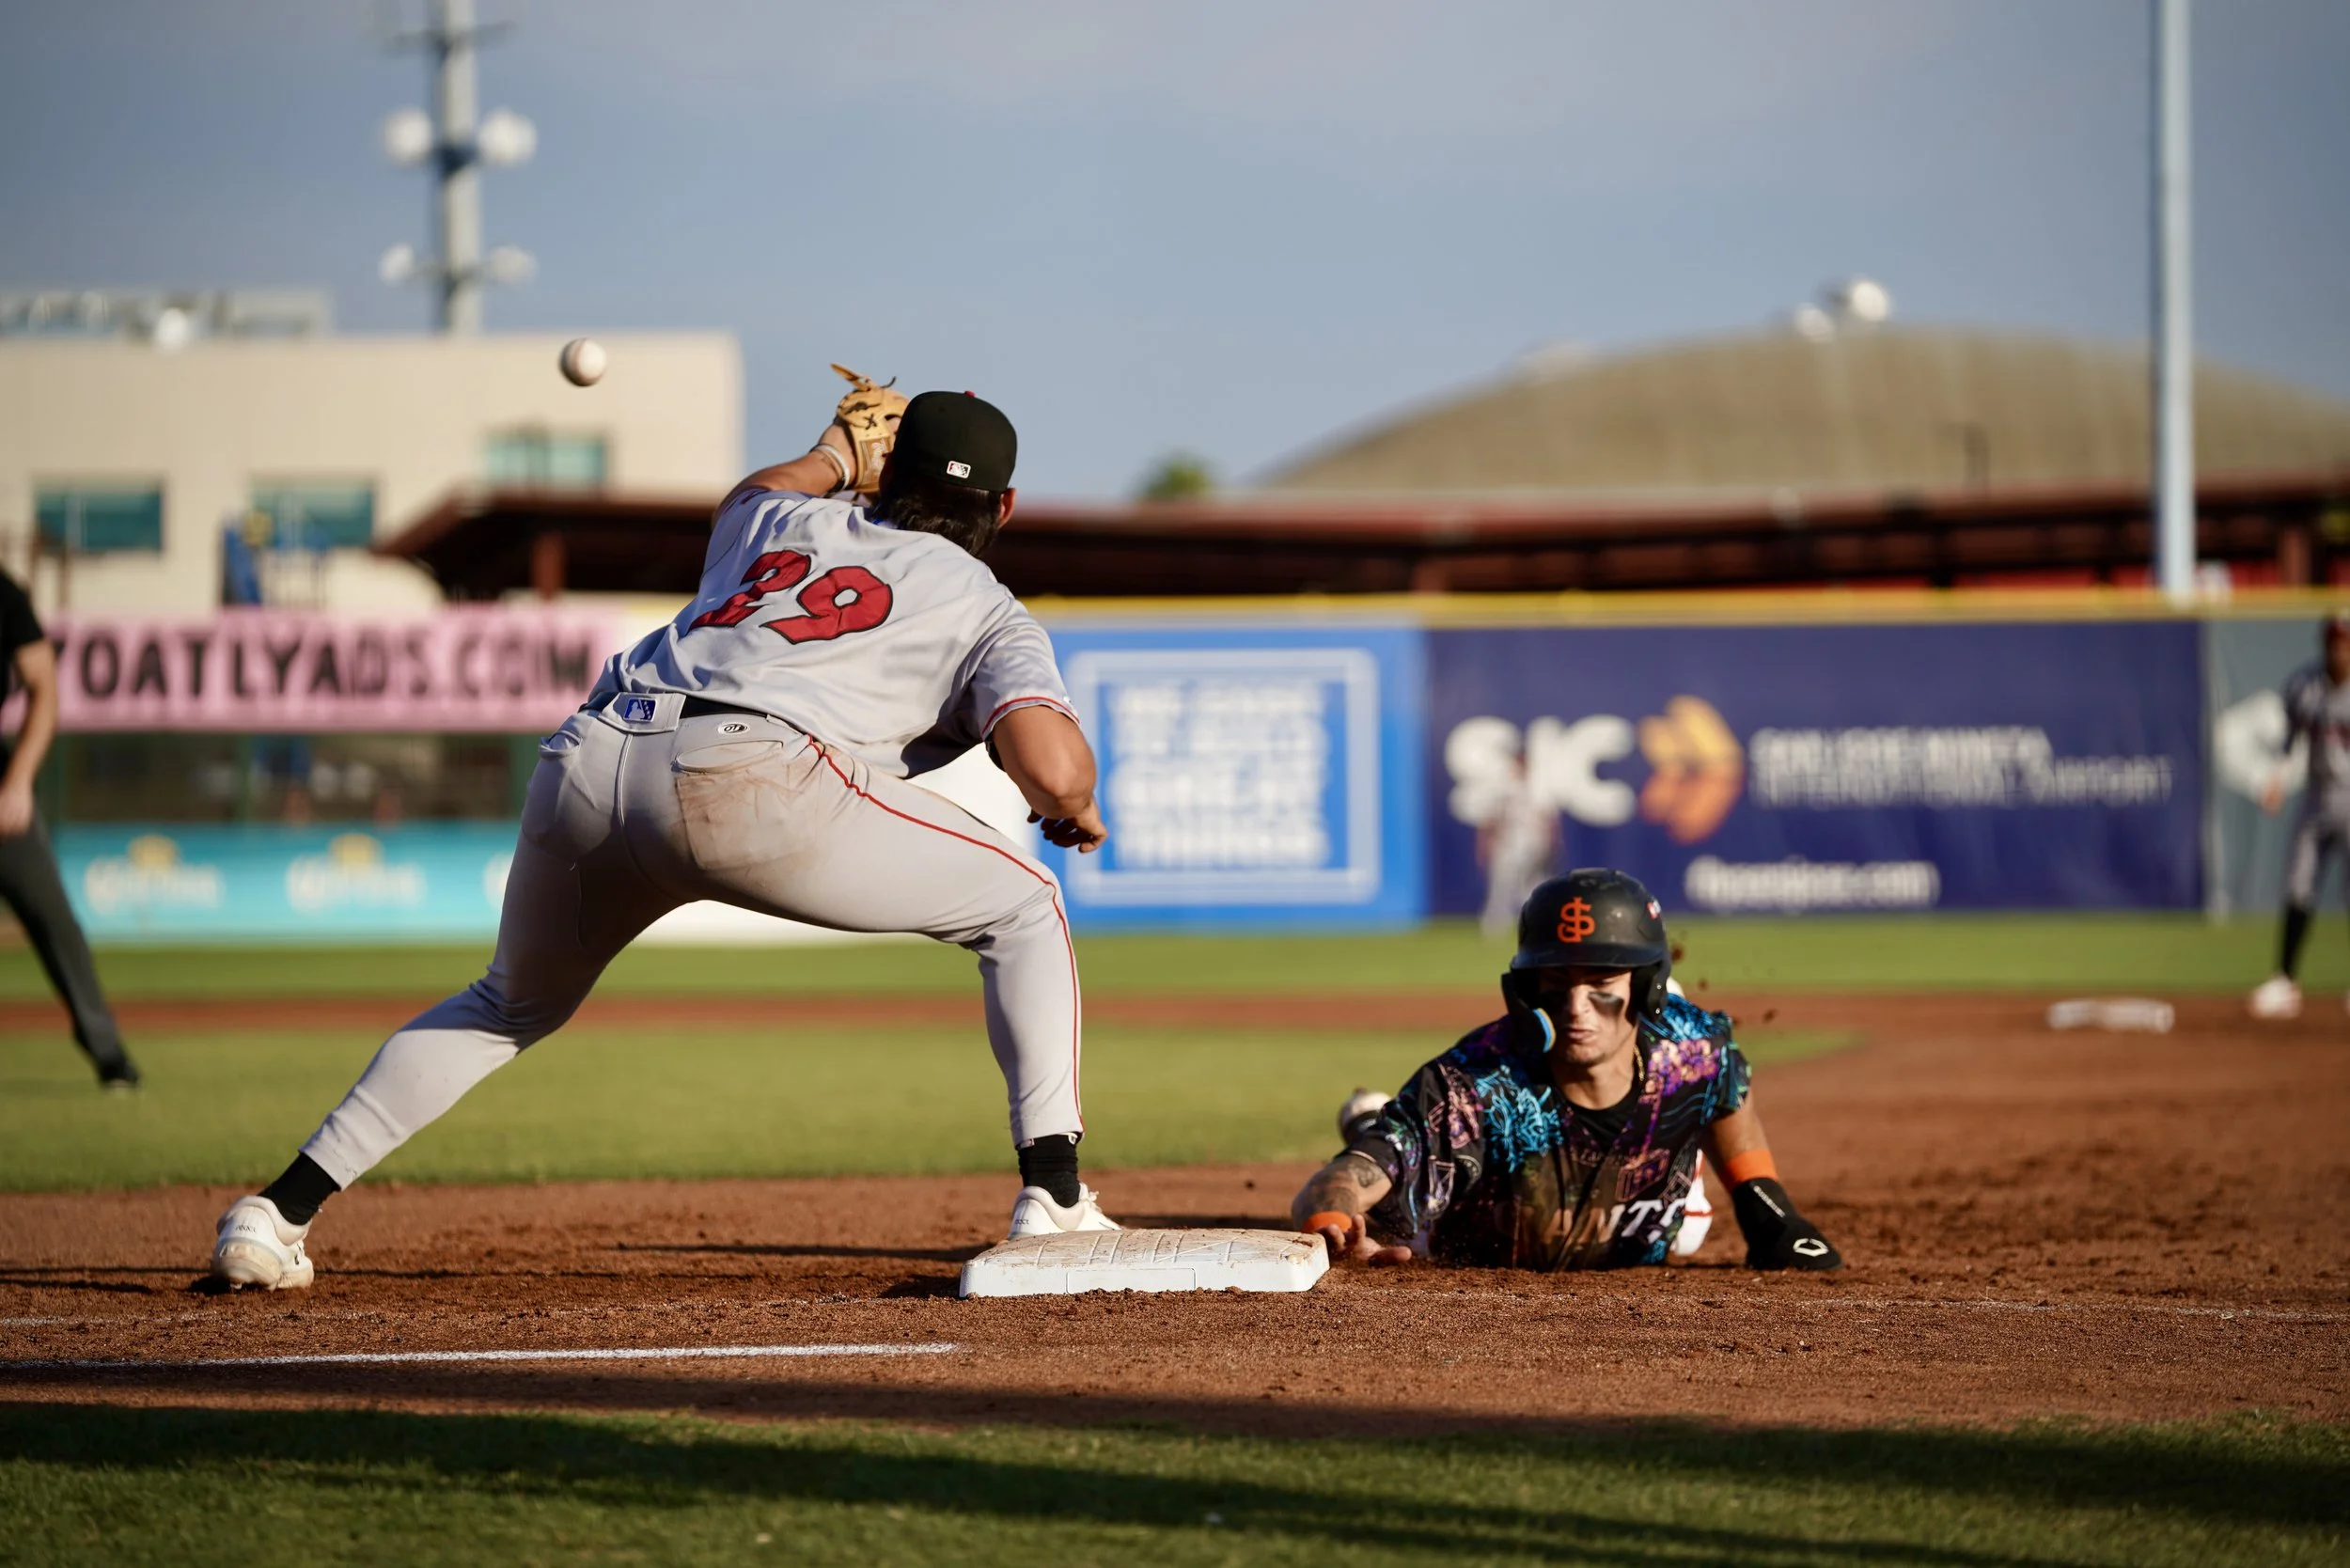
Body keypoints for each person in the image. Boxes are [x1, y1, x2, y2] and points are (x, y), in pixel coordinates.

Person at [211, 386, 1117, 1291]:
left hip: (594, 754)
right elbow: (1053, 769)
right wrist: (1071, 802)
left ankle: (275, 1214)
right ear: (1004, 506)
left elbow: (753, 492)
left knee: (506, 1005)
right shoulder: (987, 605)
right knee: (1025, 904)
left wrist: (836, 454)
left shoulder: (782, 522)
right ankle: (1055, 1193)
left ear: (888, 476)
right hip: (759, 780)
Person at [1292, 868, 1840, 1272]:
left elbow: (1724, 1084)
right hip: (1466, 1239)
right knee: (1398, 1200)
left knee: (1685, 1232)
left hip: (1630, 1228)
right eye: (1557, 984)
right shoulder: (1470, 1089)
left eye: (1601, 984)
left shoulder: (1693, 1048)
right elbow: (1338, 1182)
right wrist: (1333, 1230)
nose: (1577, 1008)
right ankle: (1377, 1124)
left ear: (1648, 988)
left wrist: (1767, 1209)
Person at [0, 568, 138, 1090]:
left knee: (56, 924)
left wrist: (18, 781)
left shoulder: (3, 594)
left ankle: (108, 1054)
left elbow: (44, 687)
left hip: (2, 797)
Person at [2249, 613, 2350, 1021]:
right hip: (2317, 796)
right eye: (2334, 643)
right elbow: (2288, 738)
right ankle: (2284, 980)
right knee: (2298, 886)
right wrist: (2276, 778)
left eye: (2345, 643)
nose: (2339, 651)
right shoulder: (2305, 686)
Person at [1476, 744, 1558, 940]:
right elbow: (1491, 818)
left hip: (1532, 844)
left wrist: (1550, 844)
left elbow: (1548, 820)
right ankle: (1495, 928)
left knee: (1533, 886)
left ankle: (1535, 925)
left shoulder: (1539, 788)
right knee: (1501, 886)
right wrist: (1486, 843)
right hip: (1507, 844)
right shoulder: (1504, 787)